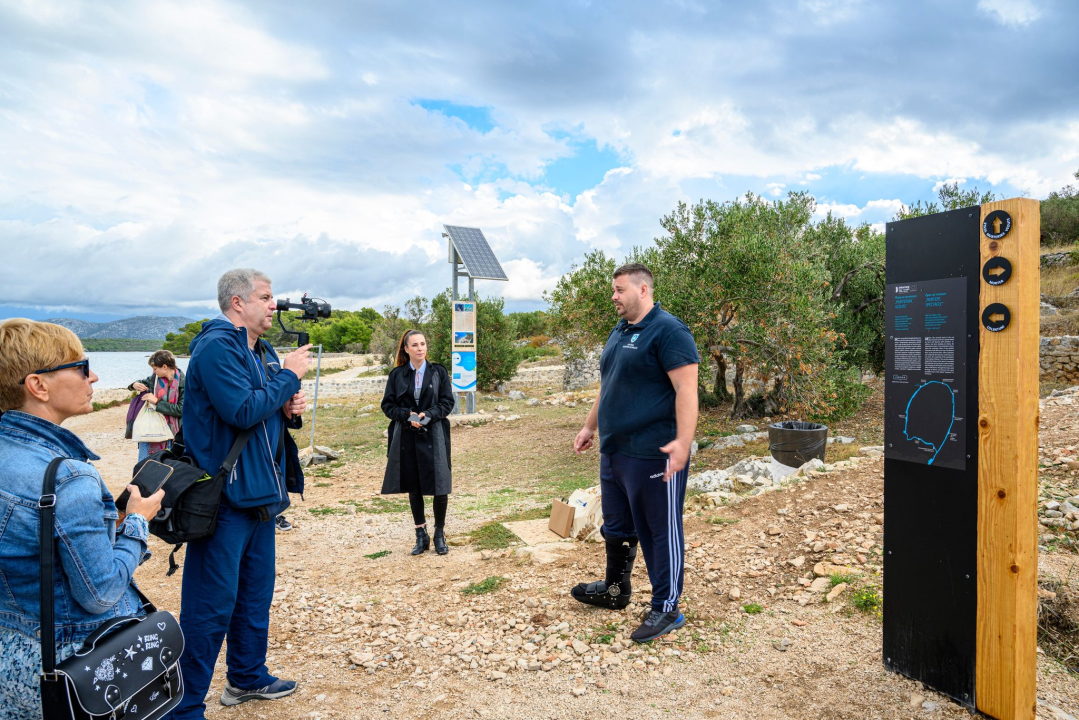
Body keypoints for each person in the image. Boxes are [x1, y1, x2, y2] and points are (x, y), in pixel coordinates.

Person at [0, 319, 164, 719]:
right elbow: (100, 592)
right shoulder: (68, 477)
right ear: (38, 386)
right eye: (80, 366)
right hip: (70, 662)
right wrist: (138, 522)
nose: (93, 375)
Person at [165, 268, 309, 718]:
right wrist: (288, 378)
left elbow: (264, 412)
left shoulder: (260, 349)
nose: (274, 305)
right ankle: (184, 708)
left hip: (259, 498)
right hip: (222, 502)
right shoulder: (216, 348)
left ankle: (246, 678)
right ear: (237, 303)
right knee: (209, 608)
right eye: (266, 297)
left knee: (253, 596)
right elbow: (243, 410)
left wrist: (289, 409)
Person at [570, 263, 700, 643]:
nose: (614, 296)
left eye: (619, 289)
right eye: (613, 289)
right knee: (618, 526)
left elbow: (687, 391)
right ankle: (615, 589)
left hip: (652, 452)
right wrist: (589, 426)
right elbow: (608, 384)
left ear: (643, 290)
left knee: (661, 531)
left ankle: (666, 608)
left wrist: (683, 442)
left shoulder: (669, 331)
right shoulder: (621, 329)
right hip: (614, 451)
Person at [381, 329, 456, 556]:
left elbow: (447, 403)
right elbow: (388, 406)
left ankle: (439, 534)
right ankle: (420, 534)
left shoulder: (439, 372)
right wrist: (410, 417)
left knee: (440, 485)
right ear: (406, 349)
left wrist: (428, 415)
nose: (420, 348)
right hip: (406, 436)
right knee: (414, 486)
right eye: (415, 345)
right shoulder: (397, 375)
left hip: (434, 434)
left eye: (423, 344)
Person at [128, 349, 185, 461]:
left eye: (155, 369)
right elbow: (140, 383)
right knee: (144, 464)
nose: (154, 372)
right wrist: (133, 385)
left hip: (175, 434)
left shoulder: (185, 382)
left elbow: (181, 410)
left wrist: (157, 402)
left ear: (164, 367)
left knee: (169, 465)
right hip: (151, 429)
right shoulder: (154, 379)